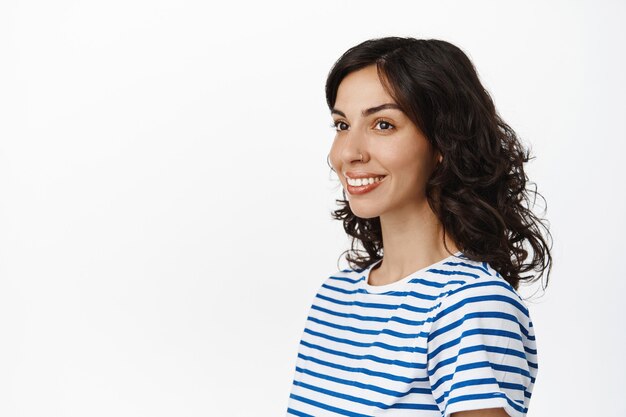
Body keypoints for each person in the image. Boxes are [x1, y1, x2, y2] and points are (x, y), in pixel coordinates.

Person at [286, 37, 552, 417]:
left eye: (382, 124)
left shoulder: (467, 304)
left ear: (443, 142)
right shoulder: (334, 298)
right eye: (342, 125)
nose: (348, 152)